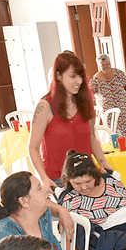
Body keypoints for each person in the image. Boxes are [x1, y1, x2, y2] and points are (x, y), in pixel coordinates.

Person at [28, 51, 113, 190]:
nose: (79, 81)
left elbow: (92, 137)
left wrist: (103, 162)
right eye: (73, 76)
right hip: (57, 180)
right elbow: (33, 147)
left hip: (87, 177)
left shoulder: (86, 103)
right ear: (59, 76)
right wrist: (44, 178)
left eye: (80, 76)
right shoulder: (45, 106)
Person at [90, 53, 126, 137]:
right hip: (107, 109)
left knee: (125, 130)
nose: (106, 66)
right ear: (99, 65)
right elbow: (91, 94)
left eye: (108, 64)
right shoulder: (95, 79)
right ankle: (116, 147)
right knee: (112, 131)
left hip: (122, 106)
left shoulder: (119, 73)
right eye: (103, 65)